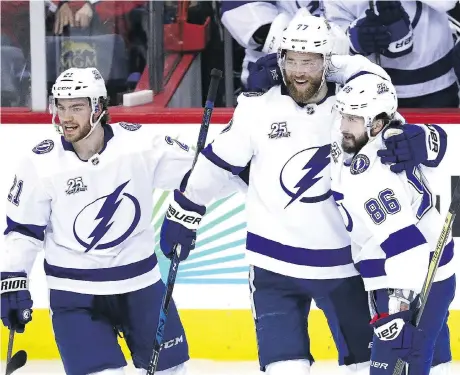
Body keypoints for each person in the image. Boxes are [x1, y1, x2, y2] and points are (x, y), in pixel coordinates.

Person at [159, 14, 447, 375]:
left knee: (364, 367)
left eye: (309, 61)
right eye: (291, 59)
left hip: (344, 267)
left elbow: (386, 103)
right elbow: (216, 164)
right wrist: (184, 209)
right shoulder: (256, 109)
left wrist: (427, 142)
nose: (298, 70)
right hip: (272, 267)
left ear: (329, 62)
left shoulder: (350, 108)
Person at [0, 67, 244, 375]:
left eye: (76, 107)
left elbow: (202, 176)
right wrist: (12, 279)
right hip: (75, 296)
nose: (66, 117)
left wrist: (241, 170)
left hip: (140, 287)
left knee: (172, 371)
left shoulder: (140, 146)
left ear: (99, 108)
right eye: (61, 106)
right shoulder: (40, 163)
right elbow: (23, 230)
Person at [331, 73, 455, 374]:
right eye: (344, 115)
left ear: (376, 123)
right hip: (425, 274)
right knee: (430, 363)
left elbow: (406, 247)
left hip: (411, 282)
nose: (345, 127)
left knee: (397, 369)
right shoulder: (385, 137)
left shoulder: (370, 174)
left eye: (354, 119)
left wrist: (399, 311)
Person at [324, 0, 458, 108]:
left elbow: (448, 2)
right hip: (366, 91)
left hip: (434, 87)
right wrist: (354, 40)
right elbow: (331, 32)